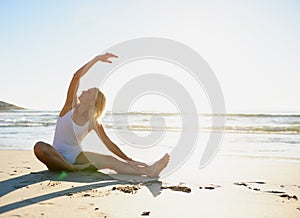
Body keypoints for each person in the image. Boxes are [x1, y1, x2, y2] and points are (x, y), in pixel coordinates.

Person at [34, 53, 170, 178]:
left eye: (89, 92)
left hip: (78, 157)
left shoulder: (93, 121)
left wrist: (130, 160)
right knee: (40, 147)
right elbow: (76, 77)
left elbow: (109, 144)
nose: (84, 91)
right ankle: (71, 168)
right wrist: (96, 59)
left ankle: (148, 171)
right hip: (55, 156)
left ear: (93, 102)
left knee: (110, 160)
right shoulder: (69, 106)